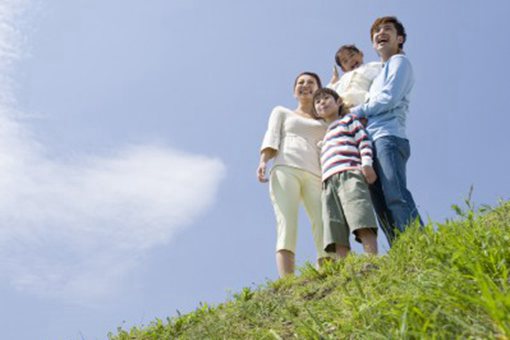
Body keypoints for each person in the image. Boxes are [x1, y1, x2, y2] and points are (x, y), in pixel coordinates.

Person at [349, 16, 423, 244]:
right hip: (370, 145)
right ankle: (401, 252)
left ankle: (420, 246)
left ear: (399, 39)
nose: (380, 33)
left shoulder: (400, 62)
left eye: (387, 29)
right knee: (380, 203)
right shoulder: (378, 74)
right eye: (376, 31)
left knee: (395, 195)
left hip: (388, 137)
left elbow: (389, 99)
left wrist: (356, 111)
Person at [257, 72, 330, 277]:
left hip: (316, 174)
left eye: (311, 83)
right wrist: (263, 161)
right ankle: (288, 280)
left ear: (318, 90)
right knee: (287, 222)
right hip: (285, 168)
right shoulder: (282, 112)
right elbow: (272, 136)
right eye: (300, 82)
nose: (305, 85)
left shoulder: (325, 122)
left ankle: (326, 270)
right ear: (294, 91)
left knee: (323, 221)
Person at [313, 87, 378, 258]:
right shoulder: (325, 137)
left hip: (349, 173)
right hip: (328, 182)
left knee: (359, 214)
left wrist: (367, 164)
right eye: (318, 102)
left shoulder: (349, 120)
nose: (322, 103)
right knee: (335, 226)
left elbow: (363, 141)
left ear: (339, 102)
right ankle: (345, 268)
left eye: (326, 98)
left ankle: (372, 258)